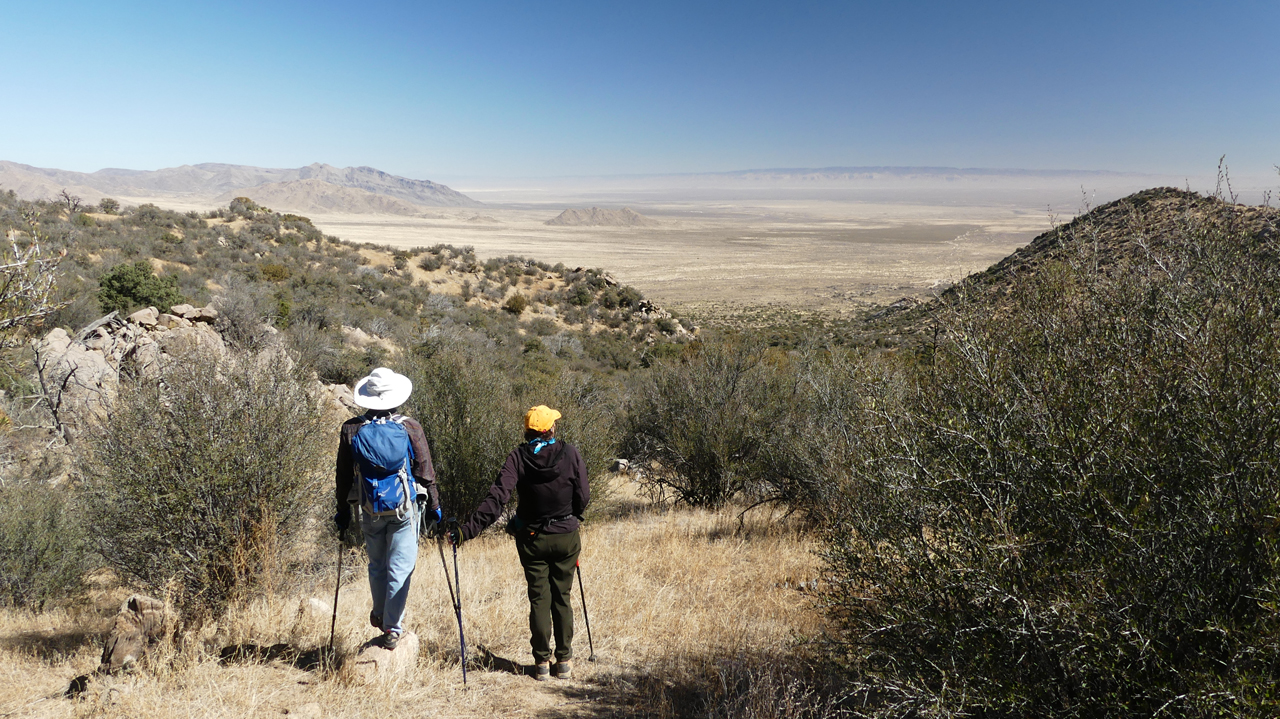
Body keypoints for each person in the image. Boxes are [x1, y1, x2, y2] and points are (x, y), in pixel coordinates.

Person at [452, 405, 589, 681]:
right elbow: (583, 496)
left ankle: (541, 663)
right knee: (562, 596)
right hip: (566, 537)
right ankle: (564, 661)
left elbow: (496, 500)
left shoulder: (518, 457)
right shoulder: (571, 453)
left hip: (531, 539)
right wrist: (572, 516)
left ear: (527, 431)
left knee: (539, 597)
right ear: (551, 429)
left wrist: (468, 530)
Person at [335, 367, 441, 650]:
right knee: (401, 567)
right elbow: (425, 470)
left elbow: (343, 475)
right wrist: (435, 506)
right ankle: (392, 628)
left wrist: (342, 511)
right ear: (395, 396)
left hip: (369, 507)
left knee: (377, 564)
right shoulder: (410, 427)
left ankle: (380, 611)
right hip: (404, 508)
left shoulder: (352, 428)